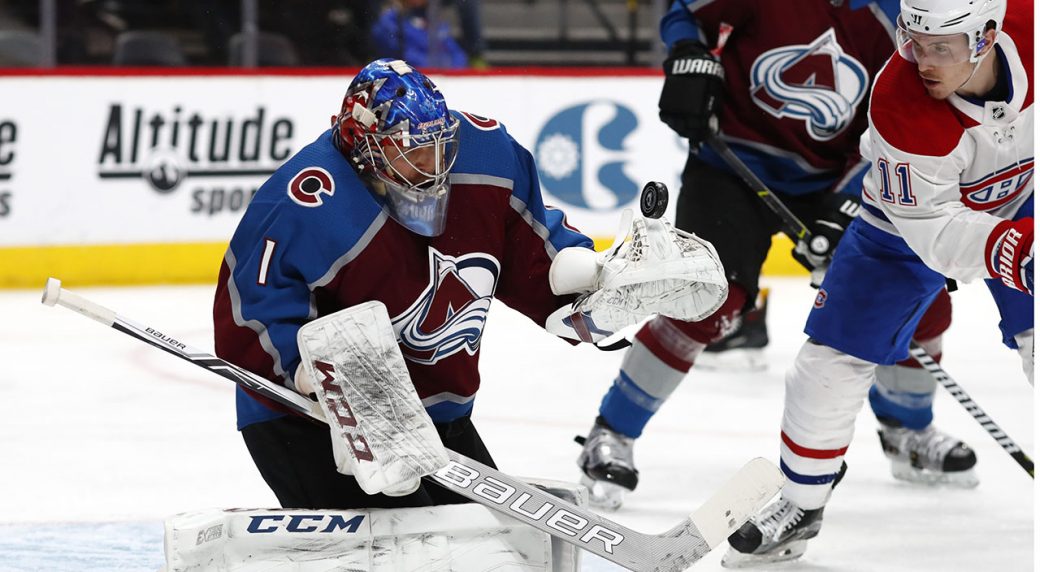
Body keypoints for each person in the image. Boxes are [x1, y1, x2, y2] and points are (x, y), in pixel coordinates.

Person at [212, 58, 726, 510]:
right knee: (403, 555)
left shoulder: (486, 157)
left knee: (485, 547)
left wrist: (597, 287)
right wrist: (311, 376)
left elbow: (537, 257)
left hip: (437, 411)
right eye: (412, 153)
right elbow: (249, 312)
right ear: (362, 145)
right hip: (307, 424)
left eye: (440, 147)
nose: (433, 167)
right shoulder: (302, 203)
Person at [575, 0, 977, 511]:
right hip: (731, 169)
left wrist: (848, 200)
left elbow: (901, 122)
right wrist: (687, 52)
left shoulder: (899, 17)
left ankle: (908, 432)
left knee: (921, 296)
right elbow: (684, 10)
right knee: (703, 300)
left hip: (839, 178)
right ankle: (611, 432)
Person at [725, 0, 1033, 565]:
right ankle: (800, 504)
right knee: (826, 368)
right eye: (913, 41)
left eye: (941, 47)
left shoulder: (1031, 29)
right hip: (904, 228)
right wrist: (1014, 249)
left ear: (986, 37)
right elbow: (935, 235)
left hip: (1025, 200)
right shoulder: (898, 99)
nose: (923, 61)